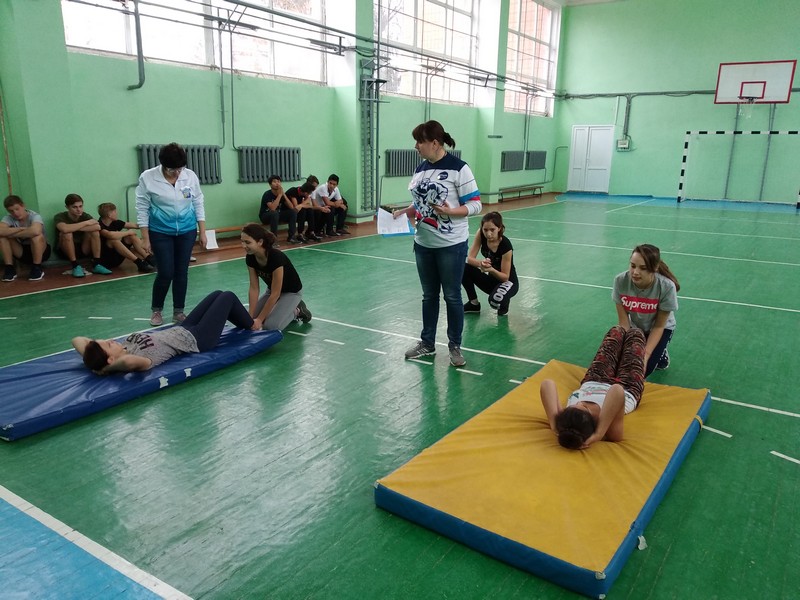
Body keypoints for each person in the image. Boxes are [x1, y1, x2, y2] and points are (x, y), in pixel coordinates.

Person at [392, 120, 482, 367]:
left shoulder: (459, 169)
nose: (416, 146)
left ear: (434, 143)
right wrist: (404, 211)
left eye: (419, 141)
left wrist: (451, 212)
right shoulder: (420, 170)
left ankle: (455, 346)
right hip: (423, 244)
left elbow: (476, 204)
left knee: (452, 296)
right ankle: (427, 343)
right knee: (429, 295)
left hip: (451, 245)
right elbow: (421, 203)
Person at [72, 290, 257, 374]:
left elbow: (77, 340)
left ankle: (245, 322)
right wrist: (106, 369)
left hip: (183, 328)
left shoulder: (125, 347)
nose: (112, 339)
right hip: (198, 340)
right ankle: (252, 325)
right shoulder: (140, 359)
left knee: (217, 294)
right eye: (108, 344)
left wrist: (97, 362)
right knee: (227, 296)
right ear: (111, 360)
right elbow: (127, 362)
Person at [135, 142, 207, 327]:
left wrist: (202, 231)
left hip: (187, 230)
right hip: (160, 231)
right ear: (162, 164)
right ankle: (157, 310)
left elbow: (198, 201)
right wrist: (145, 237)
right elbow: (142, 207)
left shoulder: (190, 176)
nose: (177, 173)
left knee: (182, 271)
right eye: (172, 169)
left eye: (180, 168)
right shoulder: (148, 178)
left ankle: (179, 311)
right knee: (166, 272)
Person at [540, 326, 646, 449]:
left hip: (594, 379)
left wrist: (554, 426)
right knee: (636, 334)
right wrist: (599, 434)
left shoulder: (566, 422)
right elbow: (617, 390)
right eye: (583, 407)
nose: (579, 403)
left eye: (576, 404)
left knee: (617, 331)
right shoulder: (608, 429)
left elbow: (547, 384)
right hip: (627, 386)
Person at [613, 243, 679, 376]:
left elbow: (659, 326)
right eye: (633, 266)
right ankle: (657, 351)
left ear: (654, 268)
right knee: (626, 362)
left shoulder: (666, 287)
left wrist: (646, 355)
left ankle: (661, 352)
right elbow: (624, 323)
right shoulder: (620, 281)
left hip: (661, 328)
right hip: (636, 327)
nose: (635, 272)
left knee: (642, 369)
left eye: (643, 268)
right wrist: (622, 349)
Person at [241, 223, 312, 330]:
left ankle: (297, 311)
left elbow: (276, 294)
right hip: (271, 291)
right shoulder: (250, 258)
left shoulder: (276, 257)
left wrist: (259, 320)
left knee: (270, 326)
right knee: (250, 320)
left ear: (260, 242)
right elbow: (254, 288)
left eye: (247, 242)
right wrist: (250, 317)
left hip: (291, 292)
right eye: (242, 241)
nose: (243, 246)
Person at [462, 211, 519, 317]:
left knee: (495, 301)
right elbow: (470, 259)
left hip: (508, 282)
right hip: (492, 280)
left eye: (492, 230)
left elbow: (505, 277)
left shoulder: (505, 245)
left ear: (499, 228)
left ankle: (504, 301)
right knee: (463, 268)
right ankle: (473, 303)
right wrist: (481, 263)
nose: (488, 234)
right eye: (485, 230)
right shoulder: (481, 234)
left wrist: (491, 269)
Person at [53, 194, 113, 278]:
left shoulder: (85, 215)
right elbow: (64, 229)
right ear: (67, 207)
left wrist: (74, 228)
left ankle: (96, 264)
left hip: (83, 249)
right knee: (67, 234)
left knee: (94, 232)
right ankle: (75, 266)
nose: (79, 210)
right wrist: (86, 223)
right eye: (75, 207)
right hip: (64, 250)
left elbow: (97, 227)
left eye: (80, 206)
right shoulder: (60, 216)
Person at [0, 195, 51, 282]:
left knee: (36, 236)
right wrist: (21, 229)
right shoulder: (8, 218)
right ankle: (9, 268)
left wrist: (12, 234)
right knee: (2, 238)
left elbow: (35, 231)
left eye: (17, 209)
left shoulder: (34, 216)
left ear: (23, 206)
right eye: (11, 211)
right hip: (22, 252)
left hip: (42, 251)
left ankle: (37, 268)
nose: (15, 213)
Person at [97, 202, 155, 273]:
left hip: (117, 257)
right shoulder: (99, 225)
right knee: (113, 240)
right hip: (105, 260)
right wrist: (128, 232)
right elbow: (110, 235)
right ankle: (139, 262)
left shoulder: (115, 222)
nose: (117, 213)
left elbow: (135, 225)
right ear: (109, 215)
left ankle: (149, 258)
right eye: (115, 211)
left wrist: (148, 225)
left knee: (131, 236)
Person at [259, 175, 300, 245]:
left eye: (278, 181)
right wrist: (279, 195)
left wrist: (284, 195)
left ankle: (291, 237)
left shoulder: (281, 194)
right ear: (270, 184)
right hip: (265, 216)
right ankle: (273, 240)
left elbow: (291, 207)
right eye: (274, 182)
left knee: (292, 212)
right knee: (274, 213)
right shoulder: (267, 194)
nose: (277, 183)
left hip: (277, 215)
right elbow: (272, 208)